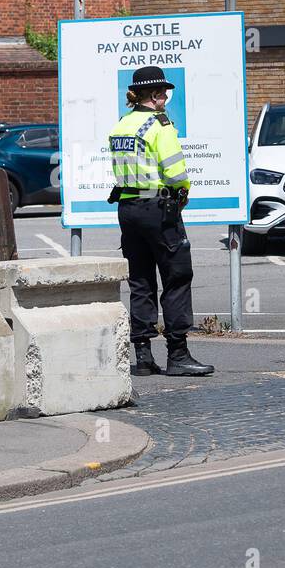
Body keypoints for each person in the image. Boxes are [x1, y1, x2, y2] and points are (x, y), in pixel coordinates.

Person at [108, 66, 214, 377]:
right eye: (163, 93)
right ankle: (178, 355)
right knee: (177, 275)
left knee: (140, 280)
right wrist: (183, 192)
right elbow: (176, 174)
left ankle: (142, 357)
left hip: (128, 209)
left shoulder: (121, 127)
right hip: (159, 208)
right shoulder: (160, 126)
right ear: (153, 96)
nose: (166, 97)